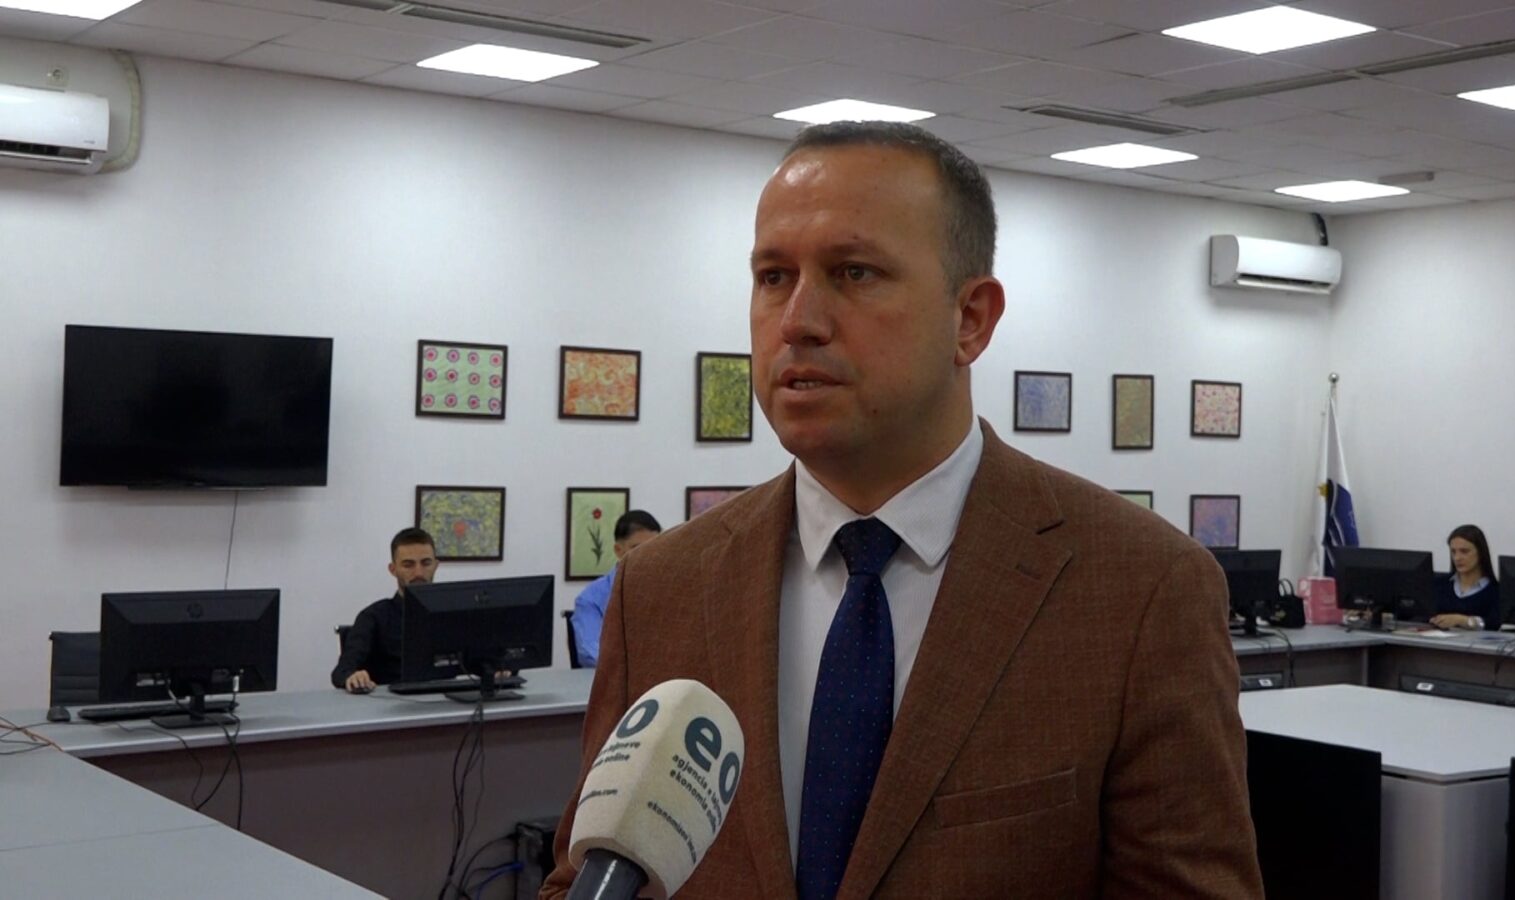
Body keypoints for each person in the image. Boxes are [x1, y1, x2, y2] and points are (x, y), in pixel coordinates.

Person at [540, 123, 1262, 899]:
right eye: (774, 276)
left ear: (970, 319)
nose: (798, 321)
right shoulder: (660, 591)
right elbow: (582, 878)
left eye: (854, 272)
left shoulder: (1142, 590)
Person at [330, 527, 437, 692]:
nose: (418, 572)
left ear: (436, 565)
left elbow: (476, 662)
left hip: (449, 701)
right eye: (408, 565)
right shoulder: (373, 617)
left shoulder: (454, 614)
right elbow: (341, 672)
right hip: (391, 702)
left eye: (426, 563)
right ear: (393, 570)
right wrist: (353, 676)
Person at [569, 510, 661, 667]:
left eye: (655, 547)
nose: (648, 555)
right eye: (638, 548)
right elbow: (590, 653)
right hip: (618, 677)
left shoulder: (669, 592)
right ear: (619, 550)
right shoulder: (591, 599)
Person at [1431, 524, 1500, 630]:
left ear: (1481, 553)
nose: (1457, 558)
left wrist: (1463, 621)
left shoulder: (1495, 591)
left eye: (1464, 551)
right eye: (1453, 552)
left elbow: (1495, 623)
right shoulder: (1439, 585)